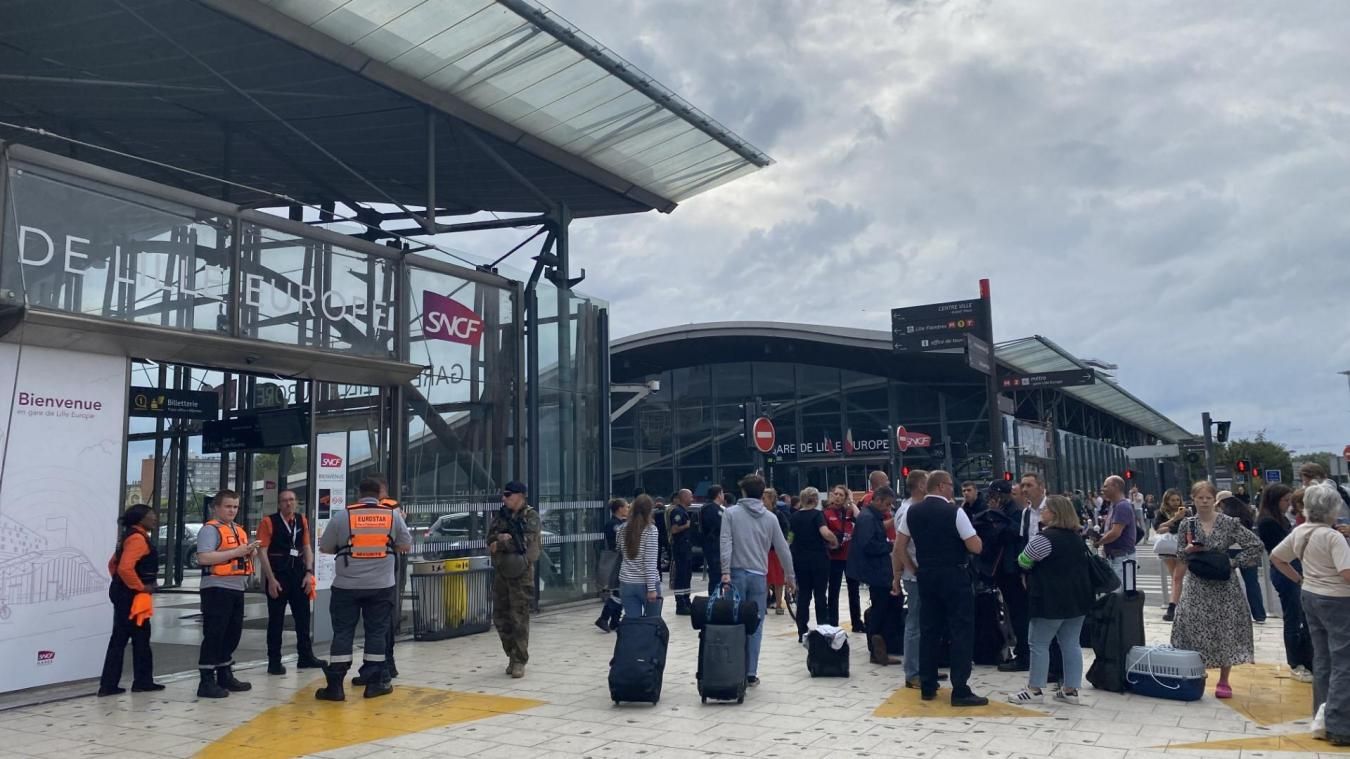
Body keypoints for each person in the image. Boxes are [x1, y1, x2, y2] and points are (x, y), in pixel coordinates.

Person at [315, 477, 412, 700]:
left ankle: (336, 686)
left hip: (346, 586)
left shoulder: (343, 515)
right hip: (381, 586)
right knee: (376, 632)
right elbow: (406, 545)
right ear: (380, 494)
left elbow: (326, 547)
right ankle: (374, 683)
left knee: (343, 632)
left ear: (359, 493)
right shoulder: (392, 515)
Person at [895, 470, 987, 706]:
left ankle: (927, 684)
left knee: (929, 629)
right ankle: (960, 688)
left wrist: (913, 568)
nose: (952, 489)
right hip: (954, 574)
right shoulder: (954, 511)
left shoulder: (912, 511)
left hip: (926, 575)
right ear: (942, 486)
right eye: (950, 485)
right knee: (961, 630)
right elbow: (975, 546)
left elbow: (900, 546)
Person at [1270, 482, 1350, 746]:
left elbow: (1277, 557)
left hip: (1311, 595)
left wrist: (1300, 579)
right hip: (1338, 600)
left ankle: (1321, 716)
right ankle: (1339, 724)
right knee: (1344, 662)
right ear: (1333, 508)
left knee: (1322, 658)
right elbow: (1346, 574)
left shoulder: (1300, 531)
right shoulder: (1333, 537)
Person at [1170, 480, 1263, 699]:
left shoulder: (1229, 523)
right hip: (1197, 582)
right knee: (1192, 625)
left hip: (1223, 582)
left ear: (1215, 500)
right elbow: (1181, 556)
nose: (1204, 502)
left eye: (1208, 498)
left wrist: (1233, 562)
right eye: (1199, 498)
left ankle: (1224, 678)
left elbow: (1255, 545)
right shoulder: (1187, 524)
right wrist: (1188, 549)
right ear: (1192, 499)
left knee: (1225, 628)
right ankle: (1197, 671)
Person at [1007, 496, 1093, 706]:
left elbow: (1023, 560)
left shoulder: (1044, 538)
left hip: (1050, 599)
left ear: (1054, 513)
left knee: (1038, 643)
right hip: (1078, 599)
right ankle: (1070, 690)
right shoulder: (1077, 538)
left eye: (1045, 509)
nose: (1042, 512)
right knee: (1071, 643)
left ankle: (1034, 689)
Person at [720, 473, 796, 686]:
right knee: (756, 625)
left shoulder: (731, 513)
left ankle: (734, 667)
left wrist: (725, 571)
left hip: (735, 573)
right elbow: (782, 548)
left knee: (735, 622)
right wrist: (789, 576)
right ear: (762, 494)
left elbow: (725, 543)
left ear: (742, 491)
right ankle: (751, 672)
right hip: (758, 575)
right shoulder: (770, 518)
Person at [195, 490, 258, 699]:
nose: (232, 510)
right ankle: (206, 680)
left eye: (235, 507)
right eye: (228, 506)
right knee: (214, 633)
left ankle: (224, 673)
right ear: (217, 508)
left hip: (236, 587)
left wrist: (250, 551)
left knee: (232, 633)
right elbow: (203, 558)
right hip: (216, 587)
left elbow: (238, 556)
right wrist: (236, 553)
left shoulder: (238, 529)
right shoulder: (210, 530)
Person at [98, 504, 163, 696]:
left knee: (127, 638)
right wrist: (140, 586)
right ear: (141, 518)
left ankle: (114, 683)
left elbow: (113, 565)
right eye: (152, 515)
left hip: (124, 594)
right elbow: (125, 568)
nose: (155, 518)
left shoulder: (128, 536)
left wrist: (119, 584)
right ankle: (140, 682)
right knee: (137, 638)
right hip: (133, 597)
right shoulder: (138, 539)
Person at [257, 489, 324, 676]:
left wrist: (309, 573)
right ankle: (274, 662)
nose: (289, 503)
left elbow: (306, 547)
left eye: (292, 500)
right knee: (276, 621)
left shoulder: (301, 520)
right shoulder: (268, 522)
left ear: (296, 502)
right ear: (279, 504)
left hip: (299, 576)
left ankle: (305, 657)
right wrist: (270, 579)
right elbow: (262, 552)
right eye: (285, 500)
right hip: (278, 576)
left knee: (303, 619)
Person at [1256, 483, 1310, 680]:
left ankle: (1302, 659)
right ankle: (1296, 662)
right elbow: (1278, 552)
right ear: (1274, 500)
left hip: (1291, 568)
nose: (1288, 504)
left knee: (1299, 616)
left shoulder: (1279, 518)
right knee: (1293, 617)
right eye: (1285, 500)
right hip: (1285, 571)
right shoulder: (1268, 521)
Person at [488, 481, 542, 679]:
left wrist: (502, 542)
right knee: (500, 617)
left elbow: (524, 542)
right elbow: (490, 538)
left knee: (519, 617)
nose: (505, 498)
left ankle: (520, 659)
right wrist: (500, 539)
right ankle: (511, 654)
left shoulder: (531, 516)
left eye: (509, 495)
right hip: (502, 571)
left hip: (521, 574)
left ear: (520, 496)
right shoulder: (501, 515)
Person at [850, 485, 900, 665]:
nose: (888, 509)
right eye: (886, 504)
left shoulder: (870, 517)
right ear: (877, 500)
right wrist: (889, 546)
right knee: (880, 609)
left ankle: (880, 647)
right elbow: (868, 545)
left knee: (884, 607)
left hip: (878, 570)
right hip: (876, 571)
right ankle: (877, 649)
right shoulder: (868, 519)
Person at [789, 487, 838, 641]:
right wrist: (834, 541)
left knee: (803, 595)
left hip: (800, 560)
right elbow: (825, 532)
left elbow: (790, 538)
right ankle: (822, 628)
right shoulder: (818, 515)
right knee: (820, 595)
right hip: (818, 559)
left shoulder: (794, 516)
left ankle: (801, 631)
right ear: (816, 499)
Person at [895, 469, 929, 687]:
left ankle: (924, 667)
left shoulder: (916, 508)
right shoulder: (908, 510)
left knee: (924, 622)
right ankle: (913, 672)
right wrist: (910, 569)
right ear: (920, 485)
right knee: (915, 623)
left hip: (919, 573)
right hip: (915, 575)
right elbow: (899, 547)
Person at [1221, 494, 1267, 624]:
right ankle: (1259, 615)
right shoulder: (1247, 511)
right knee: (1252, 583)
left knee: (1228, 584)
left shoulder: (1225, 517)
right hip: (1247, 550)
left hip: (1229, 550)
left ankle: (1233, 614)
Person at [824, 484, 862, 631]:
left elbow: (861, 518)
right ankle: (833, 622)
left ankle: (856, 622)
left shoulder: (849, 512)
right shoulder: (826, 513)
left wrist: (852, 502)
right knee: (834, 591)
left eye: (841, 495)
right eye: (836, 494)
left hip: (850, 556)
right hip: (834, 557)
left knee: (854, 591)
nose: (838, 497)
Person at [618, 494, 662, 618]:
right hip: (645, 583)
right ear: (650, 510)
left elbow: (619, 549)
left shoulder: (622, 528)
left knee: (633, 623)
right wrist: (652, 589)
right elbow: (650, 562)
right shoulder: (650, 530)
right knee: (652, 622)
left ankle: (633, 638)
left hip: (626, 582)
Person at [1092, 475, 1136, 590]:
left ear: (1116, 486)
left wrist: (1099, 542)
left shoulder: (1122, 506)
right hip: (1115, 557)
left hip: (1122, 558)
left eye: (1106, 486)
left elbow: (1116, 533)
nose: (1103, 489)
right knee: (1116, 596)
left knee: (1120, 597)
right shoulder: (1114, 506)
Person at [1154, 489, 1188, 622]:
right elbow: (1158, 528)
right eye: (1172, 500)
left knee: (1177, 577)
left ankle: (1172, 607)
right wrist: (1175, 520)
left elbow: (1188, 527)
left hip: (1183, 547)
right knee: (1174, 576)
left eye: (1177, 500)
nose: (1175, 503)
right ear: (1167, 500)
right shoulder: (1162, 513)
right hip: (1168, 548)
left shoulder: (1187, 512)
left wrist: (1168, 527)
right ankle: (1178, 604)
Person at [595, 498, 629, 632]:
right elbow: (619, 543)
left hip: (621, 559)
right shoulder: (614, 524)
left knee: (619, 590)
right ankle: (604, 618)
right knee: (618, 591)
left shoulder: (621, 523)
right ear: (619, 509)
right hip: (617, 560)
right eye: (626, 507)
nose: (627, 509)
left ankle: (615, 620)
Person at [763, 488, 789, 615]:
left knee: (778, 580)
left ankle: (779, 603)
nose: (762, 501)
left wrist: (782, 543)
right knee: (764, 580)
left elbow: (785, 531)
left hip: (775, 551)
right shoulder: (759, 514)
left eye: (764, 498)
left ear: (772, 499)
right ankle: (763, 604)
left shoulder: (778, 515)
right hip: (763, 551)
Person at [668, 488, 695, 615]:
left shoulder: (684, 511)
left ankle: (686, 600)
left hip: (686, 548)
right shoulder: (677, 512)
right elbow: (674, 530)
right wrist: (686, 525)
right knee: (681, 575)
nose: (692, 499)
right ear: (684, 497)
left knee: (687, 575)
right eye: (690, 497)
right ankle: (680, 603)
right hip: (680, 549)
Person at [701, 486, 727, 594]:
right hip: (714, 546)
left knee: (717, 574)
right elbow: (720, 527)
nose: (724, 495)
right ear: (718, 494)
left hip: (714, 545)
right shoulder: (712, 509)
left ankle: (717, 596)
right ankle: (714, 599)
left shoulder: (710, 508)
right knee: (716, 574)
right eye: (722, 493)